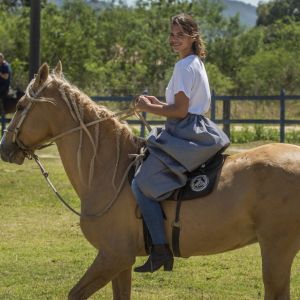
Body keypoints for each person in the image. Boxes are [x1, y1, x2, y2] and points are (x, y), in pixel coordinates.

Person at [131, 13, 230, 273]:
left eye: (180, 35)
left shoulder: (184, 66)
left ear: (193, 36)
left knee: (139, 184)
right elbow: (181, 107)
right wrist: (155, 103)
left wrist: (148, 108)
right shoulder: (194, 62)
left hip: (186, 129)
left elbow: (180, 111)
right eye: (172, 34)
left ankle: (161, 249)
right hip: (194, 126)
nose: (174, 39)